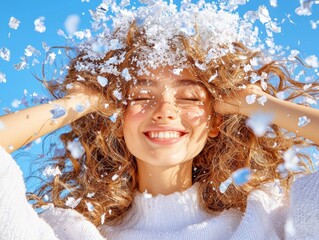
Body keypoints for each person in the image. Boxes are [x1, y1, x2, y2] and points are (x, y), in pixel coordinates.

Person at [0, 1, 319, 239]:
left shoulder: (269, 218)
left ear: (214, 123)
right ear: (117, 120)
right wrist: (79, 102)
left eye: (190, 98)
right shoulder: (68, 233)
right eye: (140, 96)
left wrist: (257, 102)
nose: (164, 111)